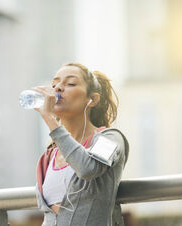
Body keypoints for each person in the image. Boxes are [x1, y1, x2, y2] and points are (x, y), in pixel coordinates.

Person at [33, 62, 129, 226]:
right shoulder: (50, 155)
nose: (58, 88)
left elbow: (88, 168)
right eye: (55, 84)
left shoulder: (111, 138)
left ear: (92, 99)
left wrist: (49, 118)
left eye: (70, 83)